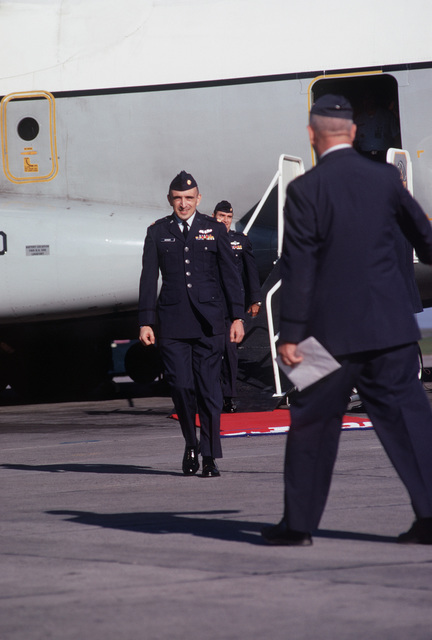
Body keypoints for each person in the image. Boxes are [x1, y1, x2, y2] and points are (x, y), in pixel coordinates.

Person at [262, 94, 432, 546]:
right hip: (390, 329)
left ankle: (297, 526)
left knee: (311, 424)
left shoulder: (304, 190)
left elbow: (299, 267)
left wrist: (290, 335)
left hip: (325, 335)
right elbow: (425, 240)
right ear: (354, 133)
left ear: (312, 135)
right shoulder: (384, 178)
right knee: (410, 420)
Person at [138, 171, 245, 477]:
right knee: (182, 386)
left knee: (210, 390)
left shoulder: (213, 229)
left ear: (199, 199)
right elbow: (148, 278)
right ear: (170, 199)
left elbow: (229, 276)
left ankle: (210, 455)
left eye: (189, 198)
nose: (183, 204)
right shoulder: (158, 232)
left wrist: (236, 317)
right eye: (177, 198)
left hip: (210, 324)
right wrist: (146, 321)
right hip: (172, 324)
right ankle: (191, 442)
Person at [213, 200, 262, 412]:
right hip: (209, 303)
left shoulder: (239, 240)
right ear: (214, 216)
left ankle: (229, 396)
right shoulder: (204, 238)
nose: (225, 221)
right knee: (209, 350)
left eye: (228, 217)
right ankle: (209, 393)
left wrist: (255, 299)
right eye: (221, 216)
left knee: (230, 350)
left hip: (232, 304)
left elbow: (251, 270)